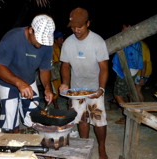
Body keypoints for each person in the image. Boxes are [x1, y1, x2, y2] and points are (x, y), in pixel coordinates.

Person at [59, 7, 109, 159]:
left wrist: (101, 88)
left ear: (88, 23)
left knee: (99, 120)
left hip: (95, 87)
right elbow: (65, 66)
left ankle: (101, 148)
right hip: (76, 89)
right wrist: (65, 84)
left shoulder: (97, 41)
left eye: (79, 26)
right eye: (73, 27)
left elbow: (104, 68)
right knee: (82, 119)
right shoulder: (68, 42)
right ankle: (85, 146)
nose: (76, 30)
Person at [0, 14, 55, 132]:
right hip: (8, 82)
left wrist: (47, 88)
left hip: (29, 81)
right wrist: (19, 83)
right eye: (40, 40)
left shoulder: (47, 44)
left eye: (44, 41)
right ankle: (10, 145)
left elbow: (44, 69)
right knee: (10, 122)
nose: (41, 44)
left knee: (36, 119)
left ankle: (32, 146)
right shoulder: (12, 38)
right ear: (31, 30)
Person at [112, 23, 143, 124]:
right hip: (134, 69)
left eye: (123, 27)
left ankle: (128, 115)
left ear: (129, 26)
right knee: (130, 92)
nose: (122, 30)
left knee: (117, 94)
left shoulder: (129, 37)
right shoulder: (137, 37)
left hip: (127, 69)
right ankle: (135, 112)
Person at [51, 31, 64, 109]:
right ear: (55, 40)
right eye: (60, 38)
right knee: (54, 89)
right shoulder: (52, 47)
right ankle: (56, 106)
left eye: (62, 38)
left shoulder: (61, 46)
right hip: (54, 71)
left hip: (60, 70)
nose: (62, 40)